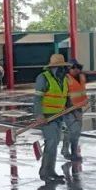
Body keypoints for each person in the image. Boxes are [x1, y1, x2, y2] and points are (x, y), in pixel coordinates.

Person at [33, 54, 72, 182]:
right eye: (59, 67)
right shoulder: (43, 78)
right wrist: (39, 116)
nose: (62, 70)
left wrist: (70, 109)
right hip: (47, 117)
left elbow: (65, 97)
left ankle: (51, 171)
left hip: (58, 116)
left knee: (54, 144)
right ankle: (44, 172)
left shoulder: (64, 79)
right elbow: (37, 99)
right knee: (50, 143)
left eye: (63, 67)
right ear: (53, 68)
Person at [61, 60, 87, 168]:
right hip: (69, 109)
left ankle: (65, 150)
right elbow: (66, 97)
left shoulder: (80, 77)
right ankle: (73, 153)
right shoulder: (66, 79)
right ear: (68, 69)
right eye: (74, 67)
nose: (77, 69)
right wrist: (74, 111)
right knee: (73, 131)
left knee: (73, 131)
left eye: (78, 67)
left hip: (78, 108)